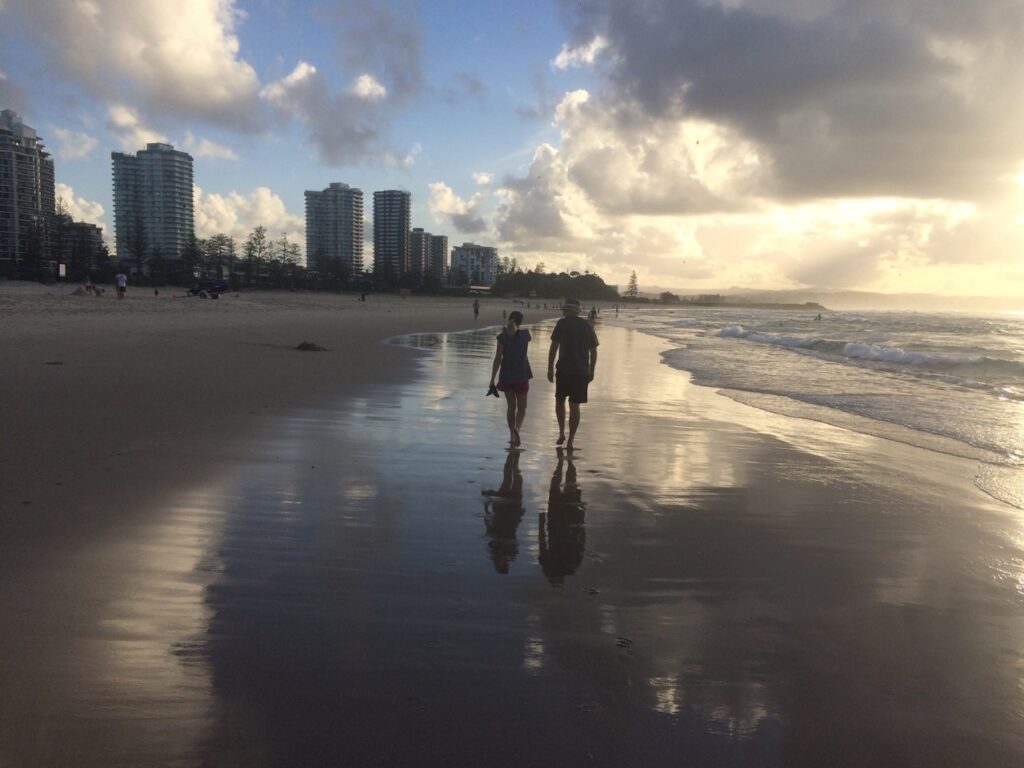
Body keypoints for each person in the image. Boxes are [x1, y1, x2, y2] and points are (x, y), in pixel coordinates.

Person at [547, 298, 598, 451]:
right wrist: (592, 370)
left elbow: (554, 347)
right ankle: (570, 440)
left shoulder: (562, 324)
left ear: (566, 311)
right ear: (577, 311)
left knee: (559, 401)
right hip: (581, 371)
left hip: (563, 369)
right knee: (574, 406)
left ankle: (562, 432)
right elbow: (594, 350)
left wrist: (550, 367)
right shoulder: (587, 325)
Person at [489, 310, 532, 448]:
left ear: (509, 319)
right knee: (522, 407)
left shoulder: (502, 337)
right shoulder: (526, 335)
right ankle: (517, 429)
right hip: (521, 375)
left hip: (506, 377)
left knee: (511, 407)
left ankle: (512, 436)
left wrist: (492, 380)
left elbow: (497, 359)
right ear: (521, 322)